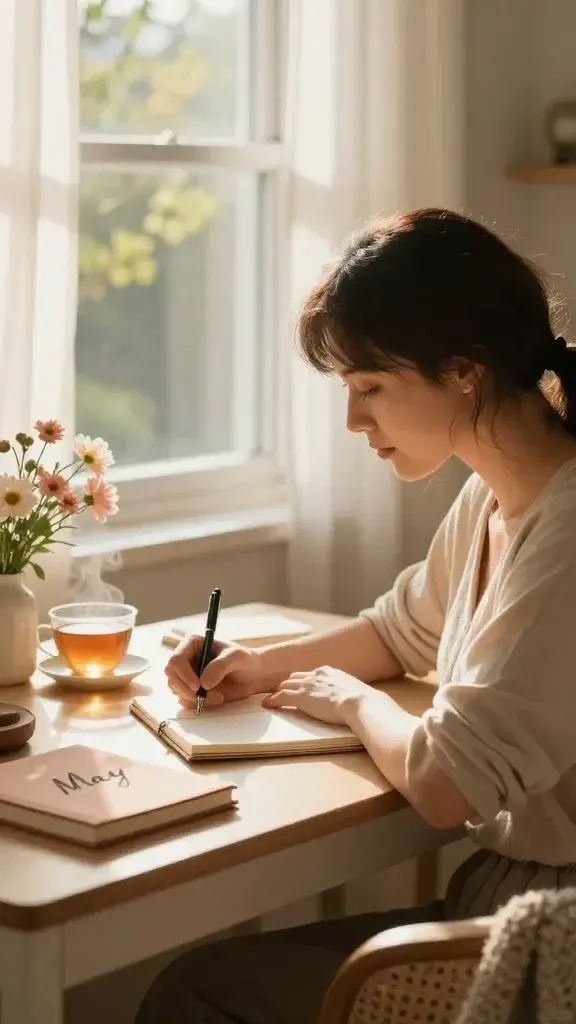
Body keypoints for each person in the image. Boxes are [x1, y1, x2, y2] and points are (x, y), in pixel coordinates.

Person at [137, 208, 576, 1023]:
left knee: (190, 991)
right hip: (503, 902)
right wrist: (255, 664)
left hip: (548, 946)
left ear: (463, 373)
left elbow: (446, 786)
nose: (353, 421)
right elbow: (400, 629)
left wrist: (353, 702)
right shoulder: (494, 495)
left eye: (369, 387)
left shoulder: (567, 531)